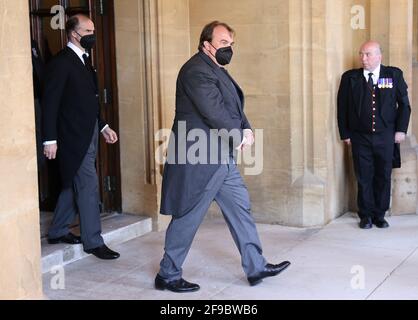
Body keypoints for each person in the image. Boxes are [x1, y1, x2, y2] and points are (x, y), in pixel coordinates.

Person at [155, 21, 290, 293]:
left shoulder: (216, 69)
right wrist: (239, 136)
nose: (229, 49)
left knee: (240, 208)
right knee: (188, 215)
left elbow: (233, 107)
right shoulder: (195, 70)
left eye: (231, 44)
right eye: (224, 43)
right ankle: (168, 275)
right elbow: (213, 111)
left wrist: (247, 130)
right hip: (199, 157)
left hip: (220, 157)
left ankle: (256, 265)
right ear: (207, 44)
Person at [42, 14, 120, 260]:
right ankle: (93, 241)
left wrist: (104, 126)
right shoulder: (61, 63)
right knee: (87, 185)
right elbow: (50, 104)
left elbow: (90, 102)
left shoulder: (86, 61)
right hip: (71, 138)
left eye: (93, 30)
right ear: (74, 34)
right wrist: (49, 140)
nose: (92, 35)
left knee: (72, 184)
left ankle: (57, 230)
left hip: (90, 133)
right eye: (88, 31)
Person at [337, 41, 411, 229]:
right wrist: (345, 133)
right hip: (359, 137)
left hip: (386, 136)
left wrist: (401, 130)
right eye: (361, 54)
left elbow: (404, 105)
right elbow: (342, 107)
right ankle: (366, 215)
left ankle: (380, 215)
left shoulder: (393, 75)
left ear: (379, 56)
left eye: (368, 54)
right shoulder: (349, 78)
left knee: (383, 175)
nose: (363, 58)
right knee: (363, 176)